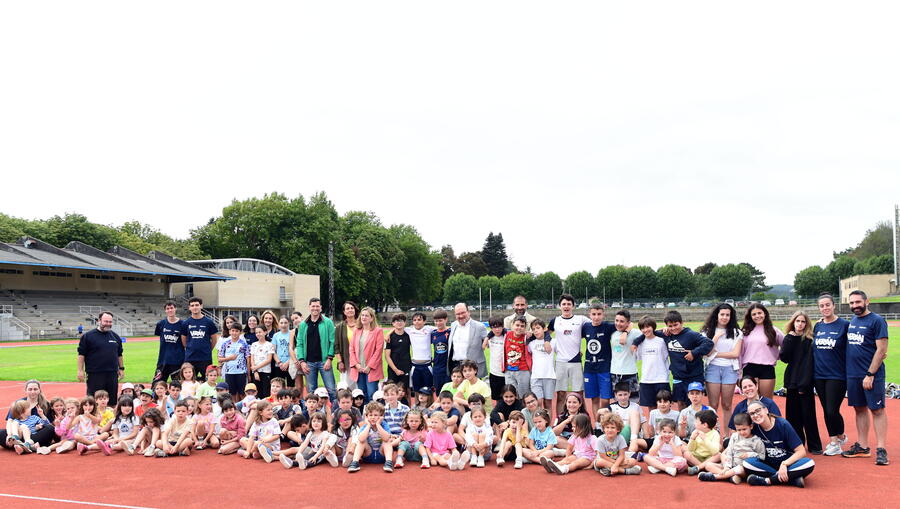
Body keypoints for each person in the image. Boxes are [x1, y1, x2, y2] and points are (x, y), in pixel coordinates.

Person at [842, 290, 889, 466]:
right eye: (852, 303)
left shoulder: (877, 321)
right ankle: (862, 446)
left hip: (871, 375)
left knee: (877, 410)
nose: (855, 306)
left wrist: (870, 374)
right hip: (853, 375)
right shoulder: (853, 321)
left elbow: (881, 350)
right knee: (859, 409)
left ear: (866, 301)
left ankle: (882, 449)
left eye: (858, 302)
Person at [744, 401, 815, 487]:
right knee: (747, 463)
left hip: (788, 464)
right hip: (768, 465)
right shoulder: (754, 428)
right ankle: (791, 479)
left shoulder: (783, 424)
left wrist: (785, 464)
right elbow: (738, 435)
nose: (755, 415)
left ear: (766, 410)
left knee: (809, 463)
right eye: (752, 414)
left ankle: (767, 480)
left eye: (758, 410)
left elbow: (801, 451)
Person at [780, 311, 822, 454]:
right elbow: (784, 357)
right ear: (793, 322)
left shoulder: (809, 340)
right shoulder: (789, 338)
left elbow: (809, 363)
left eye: (803, 321)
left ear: (807, 324)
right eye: (797, 321)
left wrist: (804, 383)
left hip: (806, 380)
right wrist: (790, 339)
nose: (800, 324)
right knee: (792, 416)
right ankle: (796, 445)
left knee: (808, 415)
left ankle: (815, 445)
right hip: (792, 380)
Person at [812, 293, 849, 456]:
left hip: (837, 375)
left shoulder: (845, 325)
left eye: (828, 305)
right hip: (819, 375)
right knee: (826, 409)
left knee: (832, 410)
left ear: (834, 305)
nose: (825, 308)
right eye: (822, 306)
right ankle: (837, 438)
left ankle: (836, 441)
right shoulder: (818, 326)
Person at [700, 303, 743, 430]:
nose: (725, 317)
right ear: (716, 315)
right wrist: (715, 338)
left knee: (727, 404)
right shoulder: (706, 331)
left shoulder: (736, 332)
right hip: (712, 369)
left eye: (728, 315)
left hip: (730, 369)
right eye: (722, 314)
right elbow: (706, 353)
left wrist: (715, 354)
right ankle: (713, 433)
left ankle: (727, 435)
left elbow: (735, 354)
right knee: (713, 404)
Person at [548, 294, 590, 415]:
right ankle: (560, 420)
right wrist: (546, 341)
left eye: (569, 304)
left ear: (573, 306)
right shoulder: (555, 321)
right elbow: (546, 333)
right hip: (561, 362)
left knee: (578, 394)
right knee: (561, 394)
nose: (566, 306)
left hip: (576, 362)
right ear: (559, 306)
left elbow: (594, 327)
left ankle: (582, 420)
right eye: (564, 304)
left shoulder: (581, 319)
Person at [699, 412, 765, 483]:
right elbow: (730, 452)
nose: (742, 432)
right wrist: (727, 467)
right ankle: (729, 476)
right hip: (730, 465)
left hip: (743, 469)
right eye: (739, 430)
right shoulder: (734, 436)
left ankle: (716, 477)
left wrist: (750, 454)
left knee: (739, 469)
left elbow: (762, 457)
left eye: (744, 429)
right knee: (708, 465)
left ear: (751, 426)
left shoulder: (757, 441)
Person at [294, 298, 337, 405]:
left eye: (317, 306)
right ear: (309, 307)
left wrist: (329, 358)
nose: (315, 308)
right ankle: (313, 414)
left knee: (331, 389)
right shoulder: (303, 324)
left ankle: (334, 411)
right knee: (311, 391)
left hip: (324, 361)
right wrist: (302, 361)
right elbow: (299, 344)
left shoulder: (327, 322)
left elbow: (332, 341)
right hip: (309, 363)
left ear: (321, 308)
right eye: (313, 306)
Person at [77, 312, 124, 405]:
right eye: (106, 321)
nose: (108, 324)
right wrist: (80, 370)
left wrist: (121, 368)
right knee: (94, 401)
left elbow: (119, 354)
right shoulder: (88, 336)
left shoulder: (115, 336)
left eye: (110, 322)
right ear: (99, 321)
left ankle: (110, 418)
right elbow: (81, 354)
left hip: (112, 374)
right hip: (95, 374)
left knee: (111, 401)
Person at [581, 304, 616, 423]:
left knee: (605, 399)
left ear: (603, 314)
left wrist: (625, 333)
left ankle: (606, 422)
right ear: (589, 315)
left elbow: (628, 324)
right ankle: (597, 424)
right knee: (594, 398)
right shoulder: (585, 327)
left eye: (599, 314)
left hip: (604, 368)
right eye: (594, 314)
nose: (596, 317)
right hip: (589, 368)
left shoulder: (608, 326)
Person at [741, 303, 783, 399]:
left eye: (759, 313)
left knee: (767, 401)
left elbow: (785, 345)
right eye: (754, 314)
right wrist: (739, 371)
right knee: (751, 401)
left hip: (767, 368)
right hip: (749, 368)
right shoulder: (745, 331)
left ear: (765, 314)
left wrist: (778, 356)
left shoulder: (774, 330)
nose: (757, 316)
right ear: (750, 316)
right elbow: (740, 352)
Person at [0, 380, 54, 450]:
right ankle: (28, 446)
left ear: (39, 390)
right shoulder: (19, 403)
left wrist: (39, 425)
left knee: (50, 429)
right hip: (19, 434)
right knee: (1, 433)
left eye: (35, 389)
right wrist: (9, 435)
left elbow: (49, 424)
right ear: (25, 390)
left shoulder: (45, 404)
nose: (32, 392)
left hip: (36, 435)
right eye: (30, 389)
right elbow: (10, 421)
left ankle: (22, 446)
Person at [349, 307, 385, 402]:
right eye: (362, 315)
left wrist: (369, 366)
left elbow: (378, 351)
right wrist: (356, 365)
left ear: (372, 318)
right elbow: (351, 349)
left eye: (366, 315)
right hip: (359, 369)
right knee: (362, 395)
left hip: (371, 369)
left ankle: (374, 415)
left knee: (372, 395)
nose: (364, 317)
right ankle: (364, 415)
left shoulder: (378, 331)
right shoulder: (356, 331)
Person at [181, 297, 219, 382]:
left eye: (197, 305)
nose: (195, 307)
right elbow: (184, 340)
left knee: (207, 381)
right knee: (189, 381)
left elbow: (214, 340)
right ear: (189, 307)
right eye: (192, 305)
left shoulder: (209, 322)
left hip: (205, 358)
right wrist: (190, 348)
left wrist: (208, 350)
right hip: (190, 358)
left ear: (201, 306)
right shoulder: (186, 323)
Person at [447, 303, 489, 379]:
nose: (460, 316)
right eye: (458, 314)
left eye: (463, 313)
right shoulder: (453, 325)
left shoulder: (480, 326)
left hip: (472, 368)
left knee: (473, 391)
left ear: (468, 312)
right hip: (455, 367)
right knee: (458, 390)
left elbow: (490, 341)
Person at [153, 301, 186, 384]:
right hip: (163, 360)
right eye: (167, 308)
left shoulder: (183, 324)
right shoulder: (161, 324)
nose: (170, 310)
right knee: (156, 385)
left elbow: (185, 342)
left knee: (178, 386)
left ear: (175, 309)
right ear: (165, 310)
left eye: (171, 308)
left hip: (178, 361)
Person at [527, 319, 555, 412]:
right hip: (535, 376)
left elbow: (562, 351)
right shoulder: (531, 343)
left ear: (544, 329)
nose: (536, 331)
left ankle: (548, 425)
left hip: (549, 376)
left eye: (538, 328)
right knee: (537, 402)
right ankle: (538, 424)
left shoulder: (553, 342)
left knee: (548, 403)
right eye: (533, 329)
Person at [218, 323, 250, 400]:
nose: (234, 333)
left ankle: (243, 409)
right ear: (229, 332)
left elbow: (248, 359)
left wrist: (248, 374)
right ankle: (233, 409)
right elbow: (220, 359)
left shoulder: (243, 344)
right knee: (232, 393)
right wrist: (229, 358)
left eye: (236, 331)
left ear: (240, 332)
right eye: (232, 331)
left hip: (241, 372)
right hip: (229, 372)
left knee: (242, 393)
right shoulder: (225, 343)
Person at [502, 317, 532, 398]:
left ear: (525, 328)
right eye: (517, 325)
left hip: (522, 370)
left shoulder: (527, 337)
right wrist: (487, 338)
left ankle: (525, 410)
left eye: (522, 326)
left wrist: (529, 334)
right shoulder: (507, 334)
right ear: (512, 325)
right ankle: (515, 411)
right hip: (509, 370)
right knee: (512, 395)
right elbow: (493, 330)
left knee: (524, 395)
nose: (519, 328)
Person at [406, 312, 435, 395]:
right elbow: (397, 327)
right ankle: (416, 406)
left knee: (428, 390)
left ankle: (430, 406)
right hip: (415, 366)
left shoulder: (429, 329)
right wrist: (388, 335)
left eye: (419, 320)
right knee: (416, 390)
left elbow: (442, 328)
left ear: (424, 321)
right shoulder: (409, 330)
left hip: (427, 365)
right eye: (414, 320)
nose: (417, 322)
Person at [334, 301, 360, 390]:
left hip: (361, 360)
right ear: (344, 312)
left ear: (355, 310)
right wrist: (340, 361)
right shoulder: (339, 327)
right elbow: (336, 346)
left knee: (361, 386)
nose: (350, 310)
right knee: (348, 386)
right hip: (347, 361)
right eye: (347, 308)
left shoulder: (362, 325)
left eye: (352, 308)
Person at [385, 313, 412, 385]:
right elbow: (387, 356)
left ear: (405, 323)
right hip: (393, 369)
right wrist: (395, 370)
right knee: (392, 390)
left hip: (406, 367)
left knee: (406, 390)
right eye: (397, 321)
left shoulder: (409, 336)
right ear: (393, 323)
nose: (399, 322)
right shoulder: (389, 337)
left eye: (401, 320)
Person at [486, 316, 507, 405]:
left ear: (503, 326)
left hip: (506, 372)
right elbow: (483, 346)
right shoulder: (490, 338)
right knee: (496, 397)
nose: (497, 330)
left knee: (508, 395)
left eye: (499, 327)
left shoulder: (506, 336)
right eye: (494, 327)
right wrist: (487, 337)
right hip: (494, 372)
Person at [249, 325, 275, 399]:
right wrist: (255, 371)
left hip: (266, 372)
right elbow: (252, 359)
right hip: (256, 372)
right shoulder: (254, 345)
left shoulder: (269, 345)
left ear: (265, 332)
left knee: (266, 392)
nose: (258, 334)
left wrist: (256, 367)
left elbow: (269, 360)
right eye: (256, 332)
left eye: (260, 332)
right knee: (257, 392)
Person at [431, 309, 452, 392]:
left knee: (448, 391)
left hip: (447, 366)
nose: (438, 323)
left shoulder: (450, 332)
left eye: (440, 320)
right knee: (438, 390)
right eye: (436, 321)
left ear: (446, 319)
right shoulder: (433, 333)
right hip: (437, 366)